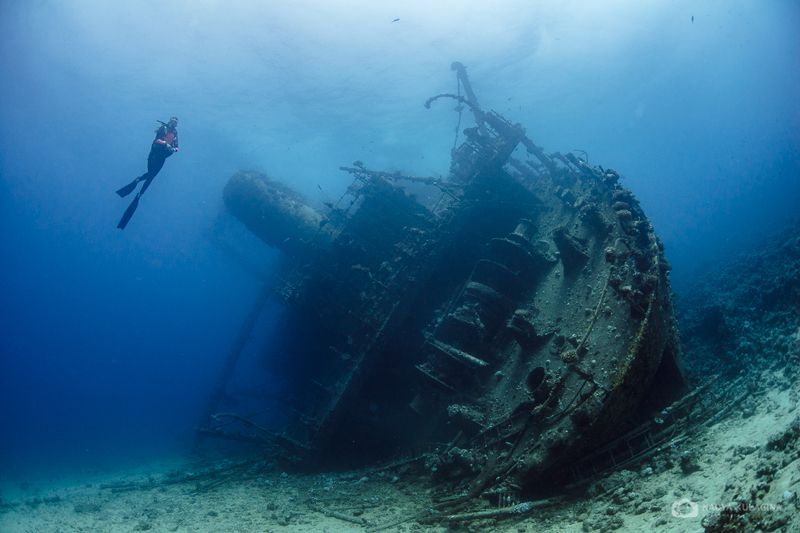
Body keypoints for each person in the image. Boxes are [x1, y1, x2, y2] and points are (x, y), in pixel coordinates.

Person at [116, 116, 180, 229]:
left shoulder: (175, 132)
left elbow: (177, 147)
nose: (173, 124)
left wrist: (174, 149)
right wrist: (165, 144)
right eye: (172, 122)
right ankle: (139, 187)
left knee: (151, 176)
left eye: (175, 123)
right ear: (169, 121)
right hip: (154, 155)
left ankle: (139, 189)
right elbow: (156, 140)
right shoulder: (163, 128)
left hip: (162, 157)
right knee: (151, 175)